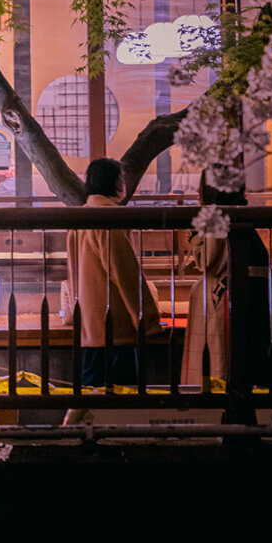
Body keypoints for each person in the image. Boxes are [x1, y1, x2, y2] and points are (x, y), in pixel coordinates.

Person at [67, 156, 162, 388]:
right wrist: (147, 319)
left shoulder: (79, 218)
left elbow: (73, 274)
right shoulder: (110, 217)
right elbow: (125, 272)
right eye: (122, 178)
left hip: (90, 326)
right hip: (116, 326)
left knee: (91, 394)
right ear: (115, 183)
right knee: (122, 396)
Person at [181, 179, 272, 387]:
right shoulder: (239, 214)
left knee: (220, 365)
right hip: (253, 298)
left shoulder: (216, 217)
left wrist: (195, 238)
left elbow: (207, 261)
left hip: (225, 298)